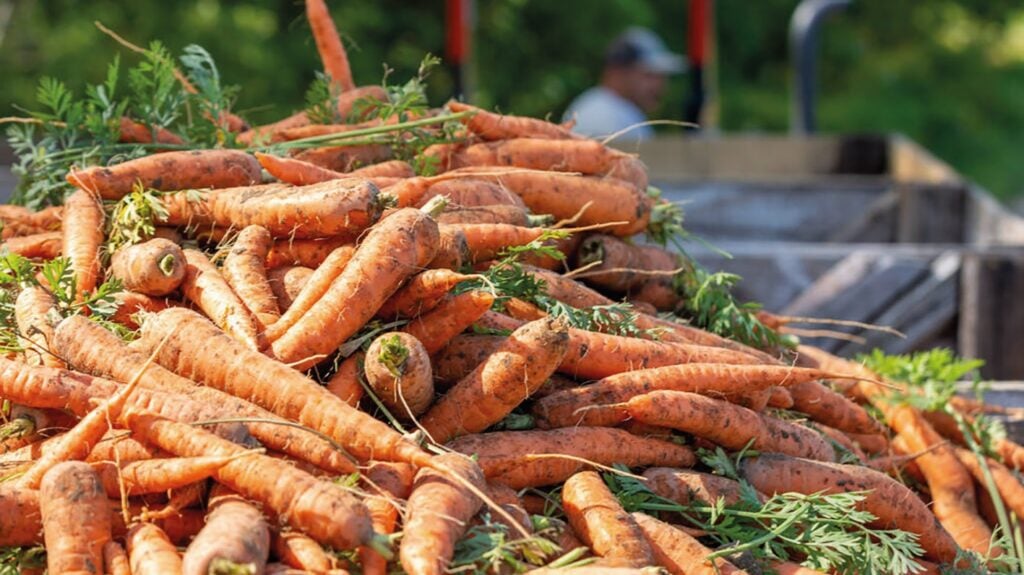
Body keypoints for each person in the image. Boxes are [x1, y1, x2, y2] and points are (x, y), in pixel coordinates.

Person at [563, 27, 686, 140]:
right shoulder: (603, 117)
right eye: (649, 75)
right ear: (617, 72)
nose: (659, 86)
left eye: (662, 77)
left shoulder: (620, 111)